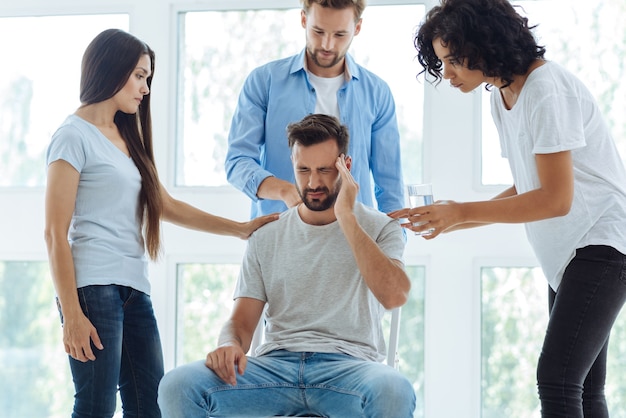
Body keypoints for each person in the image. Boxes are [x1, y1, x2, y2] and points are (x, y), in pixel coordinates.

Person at [390, 0, 626, 416]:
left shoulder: (546, 88)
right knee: (585, 387)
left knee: (557, 379)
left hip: (601, 244)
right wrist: (451, 220)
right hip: (572, 253)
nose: (447, 74)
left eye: (453, 60)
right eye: (442, 62)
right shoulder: (502, 98)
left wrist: (463, 212)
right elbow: (529, 182)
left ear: (482, 43)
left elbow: (556, 198)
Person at [43, 28, 277, 418]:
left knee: (149, 406)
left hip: (134, 287)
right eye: (139, 75)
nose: (145, 88)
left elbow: (163, 204)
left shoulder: (125, 138)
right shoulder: (72, 135)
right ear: (111, 69)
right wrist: (72, 315)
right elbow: (54, 233)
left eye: (147, 78)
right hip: (93, 287)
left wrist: (239, 228)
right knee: (95, 407)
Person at [158, 114, 416, 417]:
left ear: (346, 167)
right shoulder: (268, 235)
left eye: (324, 170)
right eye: (303, 170)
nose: (313, 182)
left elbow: (395, 296)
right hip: (275, 370)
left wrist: (346, 216)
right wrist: (229, 344)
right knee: (177, 385)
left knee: (395, 389)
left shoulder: (380, 227)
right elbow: (241, 324)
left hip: (349, 370)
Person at [225, 0, 405, 219]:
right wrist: (285, 191)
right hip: (280, 235)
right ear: (303, 19)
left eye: (339, 35)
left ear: (357, 28)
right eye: (318, 31)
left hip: (354, 239)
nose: (327, 44)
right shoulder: (265, 82)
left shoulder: (377, 93)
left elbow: (390, 185)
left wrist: (394, 246)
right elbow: (238, 161)